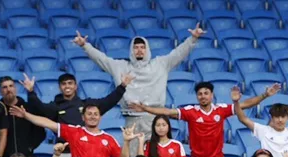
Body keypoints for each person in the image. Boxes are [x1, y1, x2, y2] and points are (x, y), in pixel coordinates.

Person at [75, 27, 204, 134]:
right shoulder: (120, 66)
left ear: (147, 49)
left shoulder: (160, 64)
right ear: (131, 50)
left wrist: (193, 38)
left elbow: (178, 53)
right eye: (136, 47)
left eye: (142, 47)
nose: (139, 50)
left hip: (156, 118)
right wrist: (84, 46)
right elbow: (101, 59)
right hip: (132, 119)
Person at [129, 81, 251, 157]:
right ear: (197, 96)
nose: (203, 96)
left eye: (206, 93)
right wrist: (145, 108)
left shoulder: (221, 110)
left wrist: (264, 96)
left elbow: (244, 105)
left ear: (212, 95)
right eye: (200, 94)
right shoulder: (191, 111)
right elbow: (167, 112)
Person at [0, 77, 48, 157]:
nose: (8, 89)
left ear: (15, 88)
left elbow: (41, 128)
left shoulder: (27, 107)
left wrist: (30, 146)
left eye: (11, 86)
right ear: (0, 91)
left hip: (26, 155)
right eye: (4, 87)